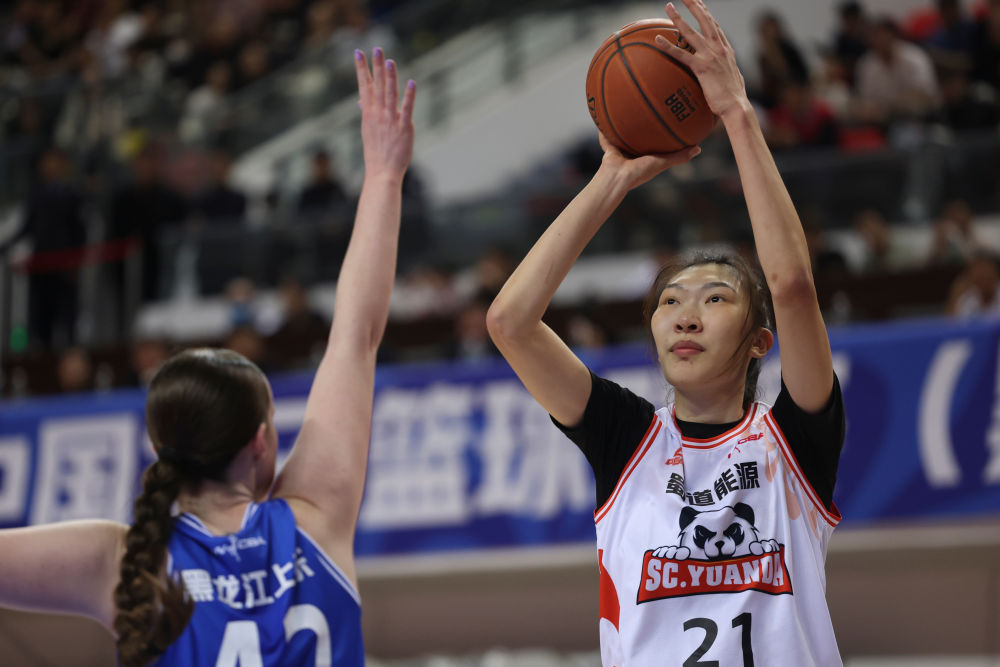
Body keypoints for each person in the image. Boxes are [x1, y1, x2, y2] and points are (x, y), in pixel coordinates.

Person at [0, 47, 415, 666]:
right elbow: (355, 334)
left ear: (159, 445)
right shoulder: (313, 519)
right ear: (260, 441)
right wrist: (383, 175)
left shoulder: (121, 561)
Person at [486, 2, 844, 665]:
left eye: (716, 299)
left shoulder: (795, 441)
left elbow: (792, 285)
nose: (686, 315)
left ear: (760, 341)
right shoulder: (626, 438)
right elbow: (509, 322)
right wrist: (611, 180)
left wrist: (737, 113)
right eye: (671, 301)